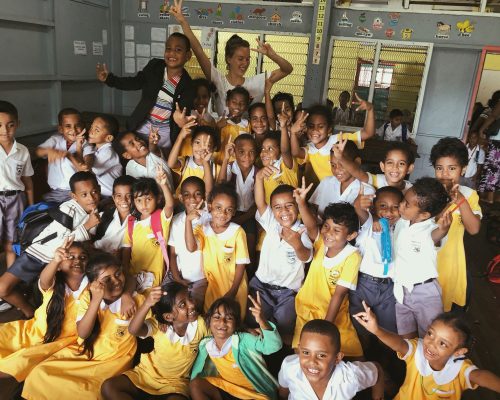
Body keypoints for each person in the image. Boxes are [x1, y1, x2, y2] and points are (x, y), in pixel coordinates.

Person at [22, 252, 144, 400]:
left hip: (112, 359)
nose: (116, 281)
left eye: (118, 274)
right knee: (40, 373)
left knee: (86, 391)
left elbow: (129, 279)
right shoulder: (88, 297)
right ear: (94, 284)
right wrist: (96, 301)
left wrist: (127, 295)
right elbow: (83, 333)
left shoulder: (135, 300)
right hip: (85, 352)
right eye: (107, 279)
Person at [0, 171, 102, 318]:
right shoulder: (69, 209)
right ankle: (29, 312)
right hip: (38, 255)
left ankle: (47, 311)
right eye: (84, 194)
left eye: (94, 192)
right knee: (3, 288)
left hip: (61, 261)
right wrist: (86, 226)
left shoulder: (94, 211)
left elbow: (83, 244)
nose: (91, 198)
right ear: (74, 196)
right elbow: (60, 240)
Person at [170, 0, 293, 117]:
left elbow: (287, 69)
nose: (245, 63)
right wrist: (183, 22)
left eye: (247, 59)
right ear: (229, 59)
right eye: (240, 58)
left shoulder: (257, 82)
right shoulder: (219, 81)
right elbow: (198, 51)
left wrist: (272, 55)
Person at [354, 305, 500, 399]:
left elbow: (480, 376)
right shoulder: (417, 349)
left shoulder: (460, 369)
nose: (430, 344)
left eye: (442, 343)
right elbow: (399, 343)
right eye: (430, 334)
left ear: (459, 352)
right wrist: (376, 330)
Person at [101, 282, 209, 400]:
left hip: (175, 384)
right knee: (108, 387)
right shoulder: (159, 326)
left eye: (190, 297)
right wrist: (147, 304)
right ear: (168, 317)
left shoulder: (200, 325)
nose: (192, 304)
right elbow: (133, 330)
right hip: (145, 376)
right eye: (183, 304)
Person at [0, 239, 88, 382]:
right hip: (33, 330)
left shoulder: (91, 289)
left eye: (82, 257)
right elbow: (44, 279)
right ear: (58, 266)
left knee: (15, 365)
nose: (77, 260)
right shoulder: (54, 285)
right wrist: (55, 260)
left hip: (58, 342)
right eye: (70, 257)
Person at [96, 32, 195, 151]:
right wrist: (109, 79)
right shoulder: (155, 66)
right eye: (168, 48)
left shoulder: (188, 85)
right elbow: (135, 82)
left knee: (158, 163)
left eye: (178, 50)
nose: (172, 53)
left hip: (164, 132)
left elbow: (183, 114)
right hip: (142, 124)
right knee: (135, 155)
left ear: (188, 55)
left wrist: (181, 122)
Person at [292, 198, 364, 358]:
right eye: (326, 226)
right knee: (303, 355)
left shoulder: (352, 256)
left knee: (353, 357)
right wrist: (301, 202)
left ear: (351, 235)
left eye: (336, 230)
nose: (328, 233)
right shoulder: (321, 243)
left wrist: (326, 327)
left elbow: (339, 294)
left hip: (334, 315)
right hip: (306, 311)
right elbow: (311, 226)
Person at [251, 180, 313, 345]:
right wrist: (259, 176)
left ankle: (279, 361)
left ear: (298, 206)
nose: (283, 211)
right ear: (272, 210)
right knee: (255, 326)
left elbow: (306, 256)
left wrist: (297, 244)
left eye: (289, 205)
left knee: (285, 331)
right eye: (277, 207)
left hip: (288, 294)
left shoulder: (303, 230)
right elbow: (259, 201)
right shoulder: (272, 224)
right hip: (261, 288)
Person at [190, 296, 282, 400]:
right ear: (208, 320)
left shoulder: (244, 340)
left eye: (229, 318)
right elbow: (198, 370)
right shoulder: (206, 345)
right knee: (195, 385)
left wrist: (262, 320)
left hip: (253, 395)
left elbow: (274, 346)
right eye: (217, 317)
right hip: (228, 388)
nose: (222, 322)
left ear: (236, 324)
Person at [393, 177, 452, 339]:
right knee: (407, 339)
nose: (401, 205)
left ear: (424, 214)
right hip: (401, 291)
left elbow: (436, 235)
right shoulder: (403, 222)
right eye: (404, 200)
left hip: (425, 293)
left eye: (407, 205)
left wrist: (444, 229)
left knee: (430, 338)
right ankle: (411, 364)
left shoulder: (430, 229)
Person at [430, 138, 481, 312]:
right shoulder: (426, 193)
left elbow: (473, 229)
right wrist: (446, 201)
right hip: (427, 262)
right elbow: (432, 223)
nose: (445, 174)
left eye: (452, 168)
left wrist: (460, 200)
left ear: (463, 169)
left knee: (446, 313)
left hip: (451, 264)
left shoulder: (470, 194)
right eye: (439, 168)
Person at [185, 183, 250, 317]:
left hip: (235, 287)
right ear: (209, 207)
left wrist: (233, 292)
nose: (223, 213)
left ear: (234, 212)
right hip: (213, 286)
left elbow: (241, 265)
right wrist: (188, 221)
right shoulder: (203, 229)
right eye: (218, 208)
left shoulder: (237, 231)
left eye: (229, 210)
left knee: (233, 321)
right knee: (212, 319)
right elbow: (191, 247)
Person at [278, 319, 384, 400]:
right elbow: (283, 391)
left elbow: (377, 370)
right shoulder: (289, 367)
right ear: (299, 349)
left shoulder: (351, 376)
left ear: (337, 358)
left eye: (321, 355)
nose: (312, 362)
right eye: (306, 353)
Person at [350, 186, 404, 338]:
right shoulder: (368, 226)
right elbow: (360, 211)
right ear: (373, 208)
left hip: (389, 288)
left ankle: (385, 357)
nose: (389, 212)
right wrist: (359, 205)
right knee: (359, 327)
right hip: (363, 285)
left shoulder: (400, 229)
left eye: (395, 207)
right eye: (383, 206)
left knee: (389, 328)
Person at [290, 96, 375, 182]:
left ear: (329, 129)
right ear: (306, 128)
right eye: (311, 126)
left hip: (349, 188)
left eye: (321, 126)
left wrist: (370, 109)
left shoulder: (339, 139)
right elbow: (295, 152)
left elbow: (368, 133)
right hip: (330, 191)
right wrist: (293, 132)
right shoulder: (310, 149)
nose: (315, 130)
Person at [122, 166, 175, 293]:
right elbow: (126, 252)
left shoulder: (160, 218)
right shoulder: (131, 223)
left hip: (156, 282)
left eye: (148, 199)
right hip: (134, 282)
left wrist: (163, 185)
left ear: (158, 199)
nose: (143, 205)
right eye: (139, 200)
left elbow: (170, 205)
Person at [0, 101, 34, 280]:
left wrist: (31, 205)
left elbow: (27, 180)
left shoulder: (22, 151)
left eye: (10, 125)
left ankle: (9, 281)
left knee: (11, 243)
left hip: (16, 199)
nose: (5, 130)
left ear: (17, 124)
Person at [168, 177, 210, 309]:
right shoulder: (175, 221)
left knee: (194, 308)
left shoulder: (209, 219)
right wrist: (176, 277)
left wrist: (188, 221)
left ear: (204, 196)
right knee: (171, 305)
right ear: (181, 198)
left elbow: (191, 248)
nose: (192, 199)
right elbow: (173, 253)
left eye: (197, 194)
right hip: (179, 276)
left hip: (201, 279)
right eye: (187, 195)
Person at [35, 108, 92, 203]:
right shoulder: (55, 140)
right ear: (61, 129)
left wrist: (73, 151)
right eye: (68, 126)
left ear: (83, 127)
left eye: (77, 125)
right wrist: (49, 151)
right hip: (55, 191)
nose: (73, 130)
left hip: (76, 191)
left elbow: (86, 166)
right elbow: (37, 152)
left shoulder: (86, 144)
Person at [217, 134, 258, 265]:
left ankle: (248, 273)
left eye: (251, 152)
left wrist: (243, 218)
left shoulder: (258, 173)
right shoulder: (229, 167)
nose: (247, 156)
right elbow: (220, 185)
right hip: (230, 214)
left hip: (249, 214)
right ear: (234, 152)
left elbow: (258, 202)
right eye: (241, 152)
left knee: (250, 242)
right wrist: (225, 159)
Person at [310, 139, 375, 218]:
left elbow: (364, 223)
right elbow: (313, 208)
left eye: (342, 164)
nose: (337, 170)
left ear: (357, 162)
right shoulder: (326, 182)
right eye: (333, 165)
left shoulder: (367, 190)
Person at [338, 141, 414, 193]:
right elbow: (357, 172)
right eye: (390, 162)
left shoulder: (411, 191)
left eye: (401, 164)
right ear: (382, 166)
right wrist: (341, 158)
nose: (395, 167)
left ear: (409, 168)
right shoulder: (377, 181)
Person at [168, 123, 218, 195]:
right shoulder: (185, 161)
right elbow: (170, 164)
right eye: (197, 142)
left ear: (214, 149)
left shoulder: (216, 169)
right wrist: (180, 137)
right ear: (191, 143)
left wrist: (205, 162)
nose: (201, 148)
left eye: (207, 145)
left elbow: (208, 191)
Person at [93, 175, 136, 257]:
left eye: (129, 196)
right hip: (99, 257)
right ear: (113, 197)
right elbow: (89, 241)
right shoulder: (104, 215)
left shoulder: (139, 220)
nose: (124, 200)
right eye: (119, 196)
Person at [83, 114, 123, 198]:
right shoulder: (96, 148)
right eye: (91, 127)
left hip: (110, 195)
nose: (91, 131)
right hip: (99, 193)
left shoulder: (108, 152)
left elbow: (87, 171)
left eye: (97, 130)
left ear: (108, 138)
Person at [214, 86, 252, 165]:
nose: (238, 106)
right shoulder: (219, 122)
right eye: (234, 102)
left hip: (238, 167)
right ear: (227, 103)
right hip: (220, 165)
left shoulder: (247, 125)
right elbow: (215, 148)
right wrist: (218, 128)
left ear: (246, 106)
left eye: (242, 103)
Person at [259, 130, 298, 205]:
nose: (264, 152)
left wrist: (283, 127)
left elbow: (285, 150)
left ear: (280, 152)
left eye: (270, 149)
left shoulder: (286, 165)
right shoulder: (263, 172)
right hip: (273, 214)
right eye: (263, 149)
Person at [477, 93, 500, 205]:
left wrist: (482, 129)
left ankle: (489, 198)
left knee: (493, 168)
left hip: (498, 141)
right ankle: (496, 197)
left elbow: (493, 116)